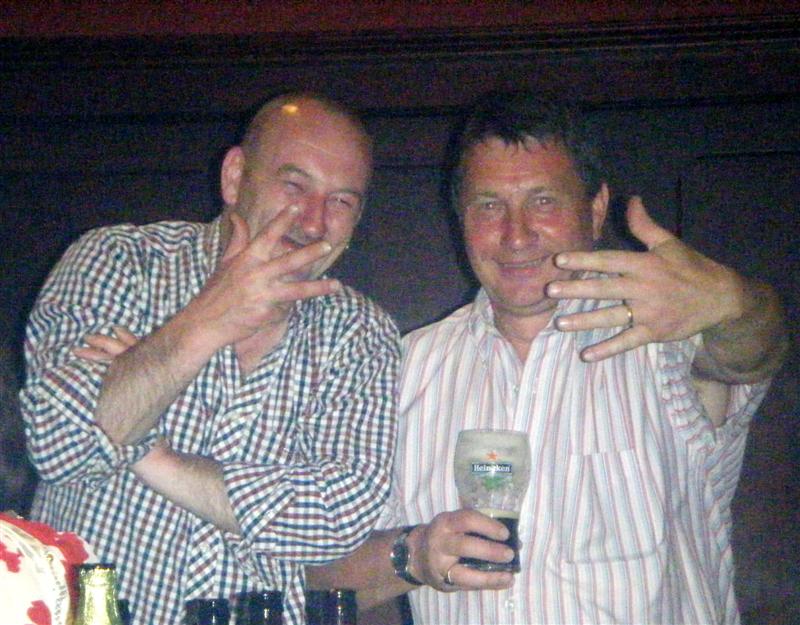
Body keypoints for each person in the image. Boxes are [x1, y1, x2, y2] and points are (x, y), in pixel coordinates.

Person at [306, 91, 788, 624]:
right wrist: (413, 555)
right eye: (489, 205)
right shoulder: (405, 368)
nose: (516, 235)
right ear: (461, 217)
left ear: (596, 209)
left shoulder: (663, 339)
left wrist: (733, 301)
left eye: (543, 201)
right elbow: (319, 571)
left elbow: (752, 352)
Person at [20, 93, 400, 625]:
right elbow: (58, 439)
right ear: (235, 177)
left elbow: (339, 519)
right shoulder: (119, 262)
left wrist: (151, 454)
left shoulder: (360, 333)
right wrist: (207, 320)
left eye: (341, 201)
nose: (314, 223)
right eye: (294, 186)